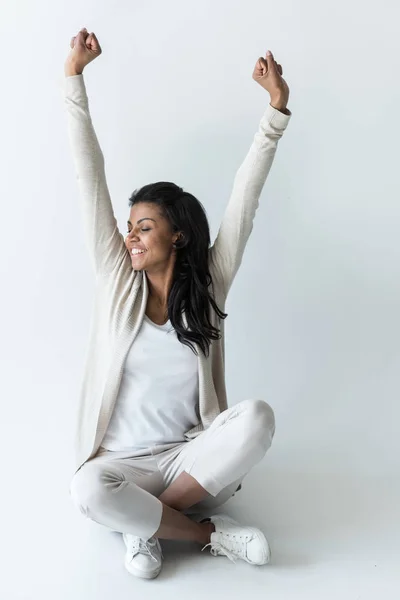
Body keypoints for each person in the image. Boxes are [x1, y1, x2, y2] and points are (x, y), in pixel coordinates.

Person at [63, 27, 292, 580]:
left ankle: (145, 525)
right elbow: (88, 176)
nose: (132, 236)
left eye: (146, 226)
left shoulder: (209, 283)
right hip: (123, 467)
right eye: (129, 227)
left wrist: (275, 114)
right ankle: (202, 532)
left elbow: (245, 201)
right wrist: (74, 80)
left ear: (179, 235)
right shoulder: (118, 282)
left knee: (258, 417)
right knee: (86, 488)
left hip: (190, 457)